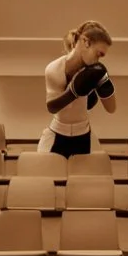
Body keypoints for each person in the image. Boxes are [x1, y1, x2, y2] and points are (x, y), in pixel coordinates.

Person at [38, 20, 117, 156]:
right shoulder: (54, 69)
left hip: (84, 134)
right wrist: (73, 92)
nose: (98, 60)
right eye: (99, 54)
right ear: (86, 42)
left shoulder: (94, 71)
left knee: (94, 175)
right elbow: (51, 107)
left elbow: (111, 109)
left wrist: (105, 83)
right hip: (57, 135)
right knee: (45, 174)